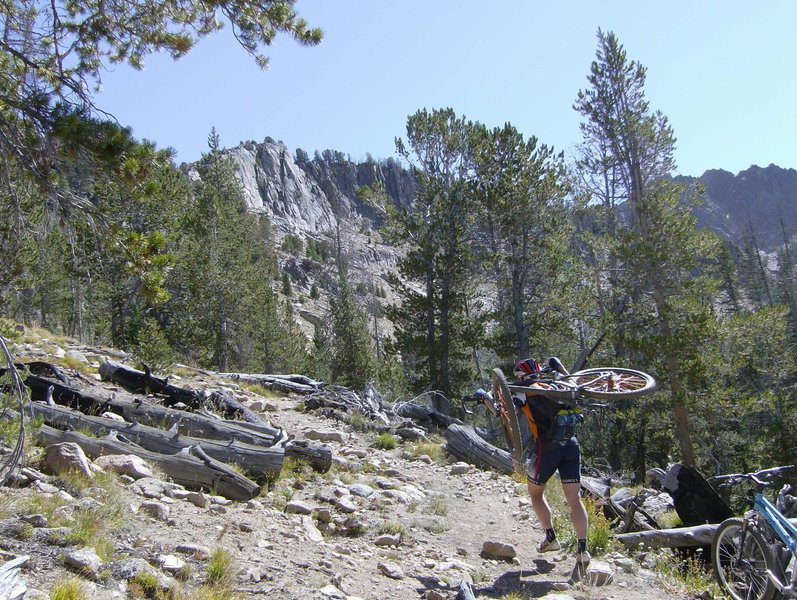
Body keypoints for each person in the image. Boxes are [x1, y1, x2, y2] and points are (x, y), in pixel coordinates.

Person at [512, 357, 591, 566]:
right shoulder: (557, 384)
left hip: (546, 447)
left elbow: (506, 412)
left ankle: (551, 537)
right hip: (570, 444)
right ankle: (583, 550)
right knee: (575, 500)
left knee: (535, 493)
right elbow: (574, 386)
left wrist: (485, 399)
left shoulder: (522, 390)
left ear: (521, 376)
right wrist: (559, 367)